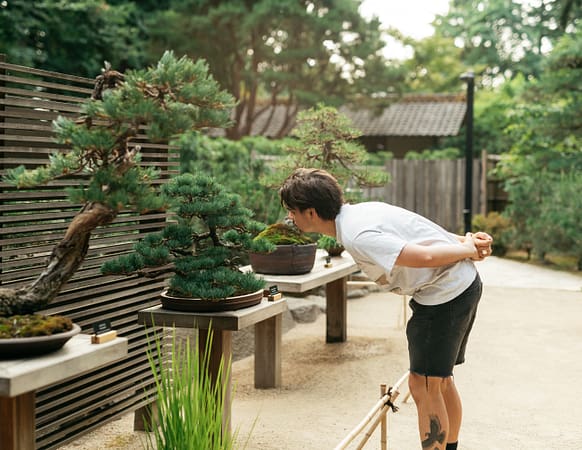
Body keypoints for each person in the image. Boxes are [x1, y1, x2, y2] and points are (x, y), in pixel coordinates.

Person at [279, 168, 493, 450]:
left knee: (424, 385)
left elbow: (424, 255)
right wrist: (466, 243)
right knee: (439, 381)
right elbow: (423, 231)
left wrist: (467, 249)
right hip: (459, 287)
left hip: (444, 296)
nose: (290, 218)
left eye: (292, 211)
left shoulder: (357, 235)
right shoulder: (362, 212)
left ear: (311, 212)